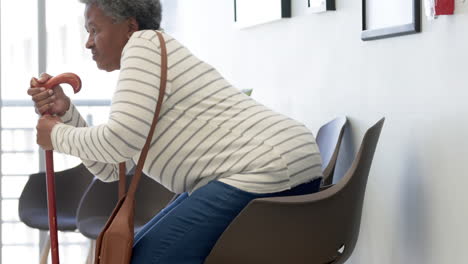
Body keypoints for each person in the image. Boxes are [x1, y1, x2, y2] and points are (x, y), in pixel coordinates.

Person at [28, 0, 323, 263]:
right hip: (275, 167)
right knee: (139, 254)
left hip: (267, 169)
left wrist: (55, 135)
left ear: (130, 26)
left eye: (94, 30)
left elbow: (117, 142)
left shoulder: (143, 45)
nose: (88, 43)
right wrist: (65, 114)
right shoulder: (151, 54)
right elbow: (111, 168)